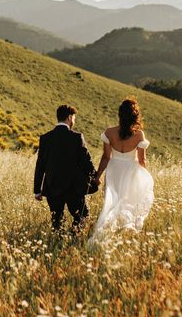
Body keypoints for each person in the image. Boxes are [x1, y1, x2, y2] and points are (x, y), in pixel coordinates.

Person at [90, 98, 154, 242]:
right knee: (128, 202)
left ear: (120, 114)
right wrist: (143, 176)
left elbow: (106, 157)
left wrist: (98, 175)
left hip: (113, 170)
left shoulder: (109, 132)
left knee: (111, 202)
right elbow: (142, 160)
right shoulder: (139, 135)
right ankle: (124, 233)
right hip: (130, 171)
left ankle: (106, 234)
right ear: (135, 115)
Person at [33, 105, 97, 233]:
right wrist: (94, 176)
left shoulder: (45, 138)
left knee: (56, 220)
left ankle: (58, 241)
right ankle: (73, 239)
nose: (74, 121)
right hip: (73, 187)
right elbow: (86, 161)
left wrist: (37, 190)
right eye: (74, 118)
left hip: (52, 186)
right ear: (69, 118)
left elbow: (40, 165)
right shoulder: (77, 137)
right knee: (82, 216)